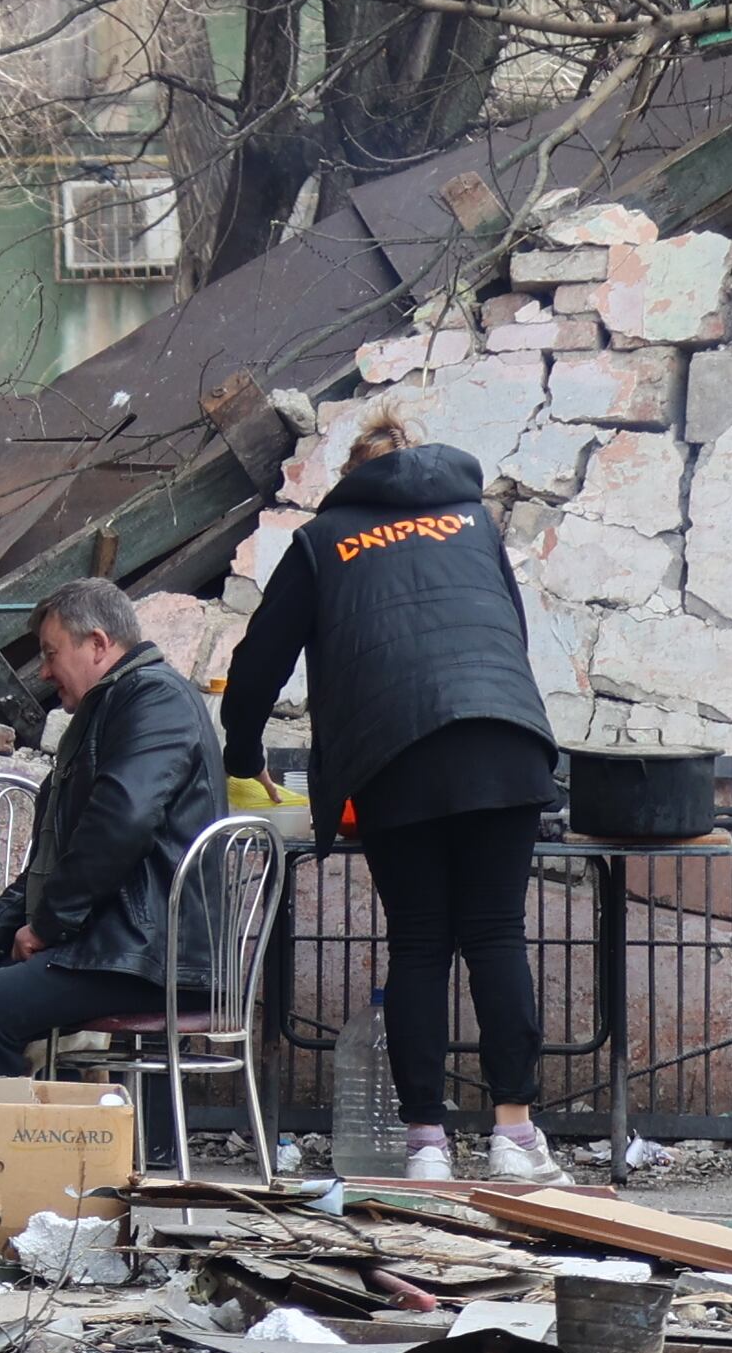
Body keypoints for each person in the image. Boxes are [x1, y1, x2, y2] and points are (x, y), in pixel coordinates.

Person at [220, 413, 563, 1182]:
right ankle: (514, 1135)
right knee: (497, 934)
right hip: (503, 736)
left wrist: (242, 754)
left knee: (419, 941)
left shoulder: (324, 538)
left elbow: (257, 665)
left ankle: (427, 1147)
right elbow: (508, 629)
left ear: (353, 472)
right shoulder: (473, 521)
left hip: (393, 753)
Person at [0, 579, 227, 1084]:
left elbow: (120, 823)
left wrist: (48, 925)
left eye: (52, 653)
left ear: (98, 644)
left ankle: (14, 1151)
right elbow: (51, 870)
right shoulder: (112, 710)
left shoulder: (154, 699)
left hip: (152, 959)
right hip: (111, 947)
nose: (45, 670)